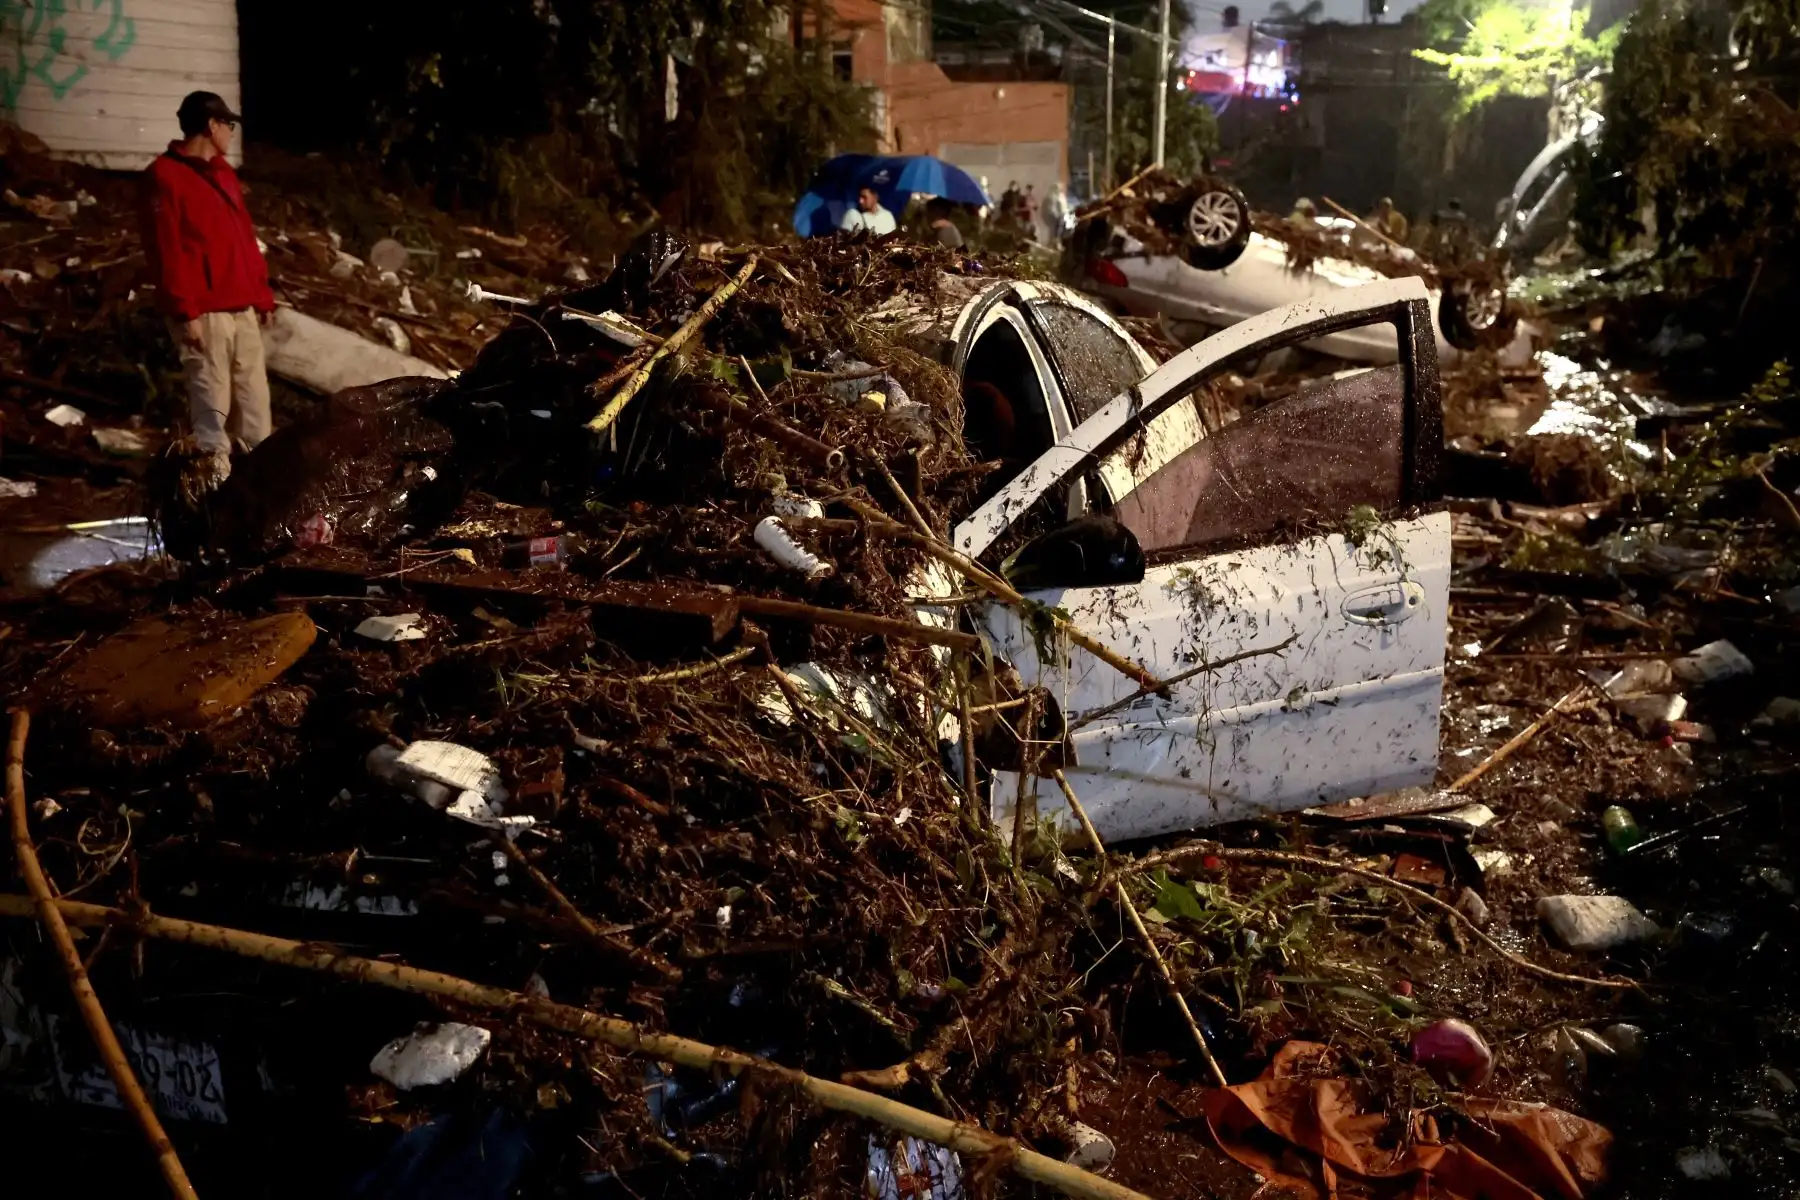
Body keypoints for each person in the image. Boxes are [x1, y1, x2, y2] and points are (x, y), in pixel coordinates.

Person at [141, 90, 274, 488]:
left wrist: (261, 295)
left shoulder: (223, 174)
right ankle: (212, 493)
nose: (231, 133)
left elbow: (243, 240)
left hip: (240, 307)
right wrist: (186, 311)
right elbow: (165, 250)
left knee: (254, 408)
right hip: (204, 312)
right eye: (228, 124)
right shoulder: (164, 176)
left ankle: (259, 491)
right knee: (212, 408)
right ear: (211, 125)